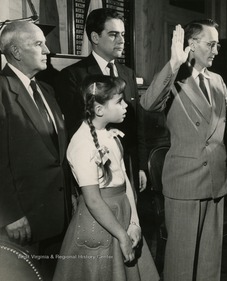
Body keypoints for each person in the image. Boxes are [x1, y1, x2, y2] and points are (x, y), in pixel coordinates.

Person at [140, 19, 227, 280]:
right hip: (185, 182)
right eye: (211, 44)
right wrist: (174, 63)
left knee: (210, 260)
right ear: (192, 44)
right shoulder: (173, 77)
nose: (216, 50)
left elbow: (226, 119)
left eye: (217, 44)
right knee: (182, 261)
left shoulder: (217, 80)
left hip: (215, 180)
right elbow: (148, 103)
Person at [53, 75, 159, 281]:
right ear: (99, 109)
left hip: (123, 214)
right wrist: (121, 235)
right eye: (119, 101)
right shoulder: (83, 144)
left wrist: (134, 224)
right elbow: (92, 200)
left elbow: (126, 182)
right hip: (99, 224)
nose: (126, 105)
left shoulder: (111, 135)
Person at [0, 21, 71, 278]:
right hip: (22, 221)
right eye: (39, 44)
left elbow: (56, 154)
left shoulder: (46, 90)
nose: (47, 50)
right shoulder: (1, 91)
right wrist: (9, 215)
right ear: (16, 52)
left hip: (56, 216)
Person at [55, 8, 147, 197]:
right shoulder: (73, 76)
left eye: (122, 34)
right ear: (95, 37)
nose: (121, 40)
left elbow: (137, 124)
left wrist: (141, 166)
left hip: (128, 165)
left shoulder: (127, 74)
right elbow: (73, 127)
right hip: (96, 170)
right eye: (113, 35)